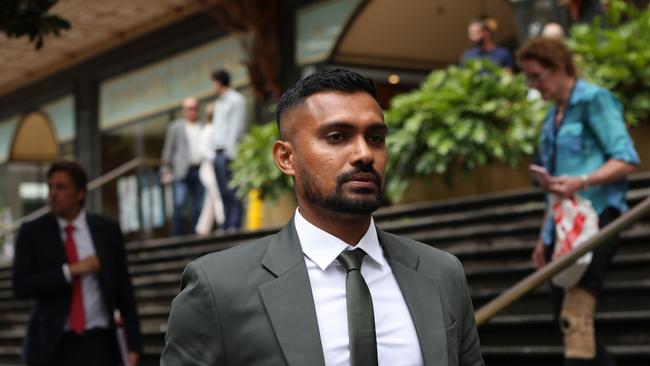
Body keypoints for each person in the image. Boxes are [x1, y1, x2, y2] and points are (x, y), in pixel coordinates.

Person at [161, 68, 484, 365]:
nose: (364, 154)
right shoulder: (218, 287)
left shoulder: (442, 274)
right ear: (286, 158)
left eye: (376, 138)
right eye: (337, 137)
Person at [517, 37, 639, 366]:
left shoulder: (594, 99)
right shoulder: (551, 119)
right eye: (528, 78)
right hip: (564, 222)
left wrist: (582, 181)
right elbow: (554, 185)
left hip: (599, 216)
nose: (533, 85)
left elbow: (626, 159)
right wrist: (545, 236)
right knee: (564, 312)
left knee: (576, 313)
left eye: (537, 76)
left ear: (559, 68)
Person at [12, 161, 142, 366]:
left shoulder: (107, 231)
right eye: (50, 186)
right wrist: (69, 271)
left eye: (61, 187)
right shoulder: (32, 232)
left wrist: (133, 346)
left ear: (80, 194)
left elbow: (124, 290)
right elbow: (21, 285)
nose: (53, 193)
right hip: (52, 345)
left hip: (100, 343)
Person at [160, 97, 205, 236]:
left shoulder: (203, 125)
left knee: (198, 205)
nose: (193, 111)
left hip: (200, 170)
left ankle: (194, 235)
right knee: (179, 204)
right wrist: (165, 171)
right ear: (184, 111)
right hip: (181, 171)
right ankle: (177, 236)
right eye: (189, 108)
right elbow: (168, 150)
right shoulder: (175, 127)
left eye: (195, 108)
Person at [210, 69, 247, 232]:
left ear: (219, 82)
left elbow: (237, 127)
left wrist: (230, 153)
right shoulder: (219, 103)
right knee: (222, 191)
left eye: (213, 82)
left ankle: (235, 224)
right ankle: (226, 224)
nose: (212, 86)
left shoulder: (236, 100)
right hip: (217, 152)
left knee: (233, 189)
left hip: (229, 152)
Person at [195, 104, 225, 236]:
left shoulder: (215, 129)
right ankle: (223, 222)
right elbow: (204, 150)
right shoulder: (208, 130)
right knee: (217, 194)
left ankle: (202, 228)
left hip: (214, 168)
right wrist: (216, 158)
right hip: (208, 169)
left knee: (211, 199)